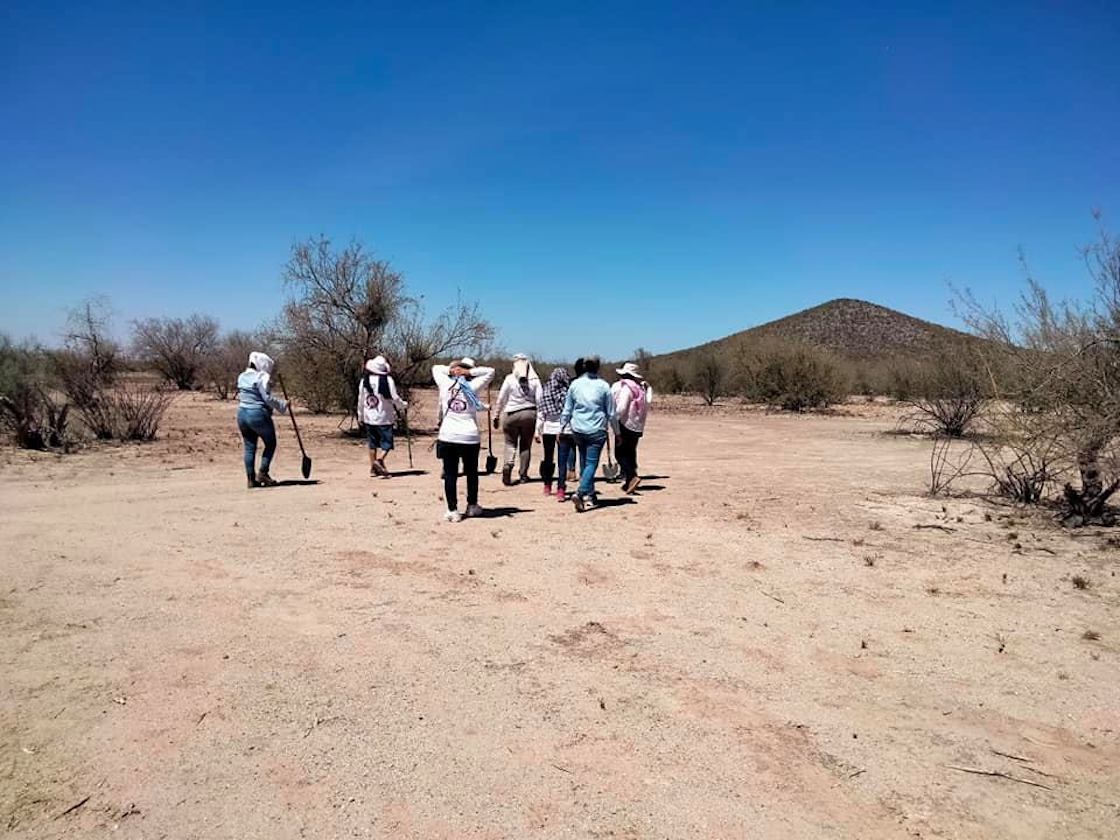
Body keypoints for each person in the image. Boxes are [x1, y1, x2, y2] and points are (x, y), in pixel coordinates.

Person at [432, 357, 495, 523]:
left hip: (448, 436)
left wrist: (452, 370)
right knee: (471, 473)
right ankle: (472, 505)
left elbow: (436, 368)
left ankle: (452, 510)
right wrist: (468, 372)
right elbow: (490, 371)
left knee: (450, 474)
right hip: (469, 436)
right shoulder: (474, 386)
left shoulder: (445, 384)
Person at [559, 355, 615, 512]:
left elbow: (567, 410)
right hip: (596, 430)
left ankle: (590, 496)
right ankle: (581, 492)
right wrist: (617, 432)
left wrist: (562, 427)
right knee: (591, 464)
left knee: (584, 463)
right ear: (597, 367)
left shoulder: (575, 385)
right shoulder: (604, 386)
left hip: (578, 429)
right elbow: (611, 412)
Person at [236, 351, 288, 489]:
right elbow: (267, 398)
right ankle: (263, 473)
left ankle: (251, 480)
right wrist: (282, 405)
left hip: (242, 414)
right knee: (270, 443)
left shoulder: (241, 376)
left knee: (249, 447)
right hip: (257, 414)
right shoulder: (261, 377)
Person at [494, 353, 541, 485]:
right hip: (530, 414)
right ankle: (523, 475)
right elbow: (540, 401)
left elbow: (501, 399)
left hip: (511, 414)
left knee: (510, 443)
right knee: (525, 446)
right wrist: (539, 426)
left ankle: (508, 464)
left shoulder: (509, 379)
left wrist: (496, 415)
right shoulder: (535, 380)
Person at [357, 355, 407, 478]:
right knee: (387, 443)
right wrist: (402, 406)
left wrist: (360, 415)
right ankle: (379, 460)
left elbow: (361, 399)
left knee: (372, 443)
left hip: (369, 416)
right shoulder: (388, 380)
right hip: (384, 417)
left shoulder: (365, 381)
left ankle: (373, 468)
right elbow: (394, 398)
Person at [534, 366, 576, 499]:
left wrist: (537, 431)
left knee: (548, 458)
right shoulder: (567, 392)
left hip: (547, 430)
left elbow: (541, 414)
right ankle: (561, 489)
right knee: (562, 461)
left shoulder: (545, 392)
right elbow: (569, 413)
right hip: (563, 430)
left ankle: (547, 485)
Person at [611, 361, 653, 494]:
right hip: (637, 425)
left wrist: (614, 418)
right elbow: (648, 403)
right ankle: (630, 481)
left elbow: (622, 407)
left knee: (619, 454)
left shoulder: (627, 388)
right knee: (629, 453)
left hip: (626, 424)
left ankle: (631, 476)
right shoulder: (640, 389)